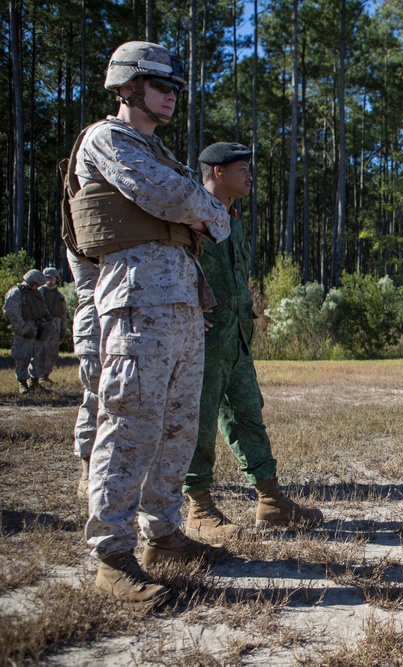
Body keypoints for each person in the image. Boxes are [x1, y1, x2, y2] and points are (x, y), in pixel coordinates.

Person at [69, 41, 231, 608]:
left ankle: (161, 534)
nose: (171, 97)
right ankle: (112, 555)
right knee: (131, 421)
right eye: (162, 86)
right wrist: (202, 206)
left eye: (175, 90)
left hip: (182, 304)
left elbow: (209, 218)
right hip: (136, 302)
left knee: (178, 426)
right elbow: (165, 196)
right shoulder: (108, 139)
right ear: (129, 86)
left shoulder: (161, 151)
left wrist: (201, 208)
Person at [184, 141, 322, 545]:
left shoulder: (234, 217)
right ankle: (198, 506)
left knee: (248, 413)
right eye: (241, 168)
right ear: (217, 172)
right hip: (203, 339)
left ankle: (270, 499)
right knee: (200, 420)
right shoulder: (189, 212)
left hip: (237, 336)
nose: (249, 174)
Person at [67, 251, 101, 497]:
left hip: (124, 320)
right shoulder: (85, 224)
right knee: (96, 398)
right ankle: (88, 470)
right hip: (96, 323)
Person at [4, 270, 51, 395]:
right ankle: (22, 383)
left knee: (39, 355)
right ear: (32, 282)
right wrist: (24, 329)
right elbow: (12, 313)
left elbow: (41, 308)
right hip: (25, 329)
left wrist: (46, 319)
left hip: (38, 328)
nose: (38, 287)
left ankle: (34, 383)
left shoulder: (35, 293)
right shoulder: (16, 293)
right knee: (22, 356)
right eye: (37, 284)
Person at [37, 267, 69, 388]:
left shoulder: (59, 295)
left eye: (52, 278)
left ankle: (45, 376)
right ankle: (35, 377)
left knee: (52, 353)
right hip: (43, 325)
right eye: (47, 278)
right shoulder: (40, 292)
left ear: (56, 279)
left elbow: (63, 313)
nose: (50, 280)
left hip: (55, 326)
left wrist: (63, 327)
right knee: (39, 352)